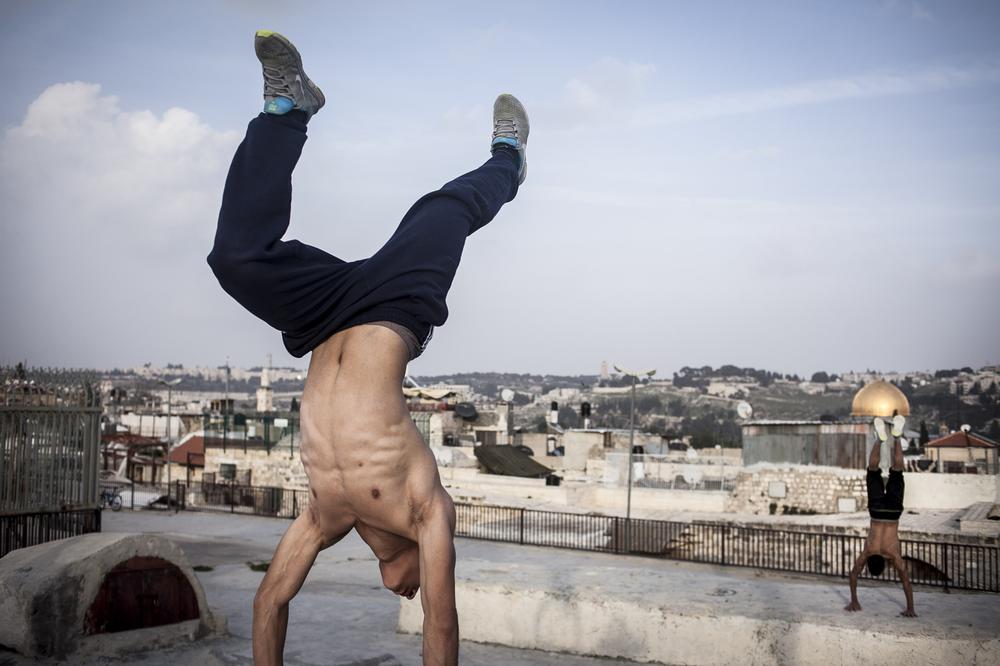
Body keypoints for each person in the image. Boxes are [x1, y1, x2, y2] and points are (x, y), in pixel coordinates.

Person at [207, 31, 529, 666]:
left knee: (236, 259)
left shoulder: (323, 517)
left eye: (414, 592)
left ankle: (284, 111)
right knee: (442, 209)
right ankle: (509, 158)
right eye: (420, 588)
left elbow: (269, 602)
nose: (411, 592)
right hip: (395, 304)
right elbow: (442, 627)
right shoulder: (426, 510)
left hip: (321, 317)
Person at [845, 413, 917, 617]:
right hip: (876, 512)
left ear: (884, 563)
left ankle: (896, 437)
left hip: (893, 513)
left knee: (897, 470)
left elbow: (905, 581)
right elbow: (853, 575)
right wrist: (854, 599)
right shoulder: (868, 550)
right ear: (869, 562)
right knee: (872, 469)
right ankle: (880, 439)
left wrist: (911, 608)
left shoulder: (893, 555)